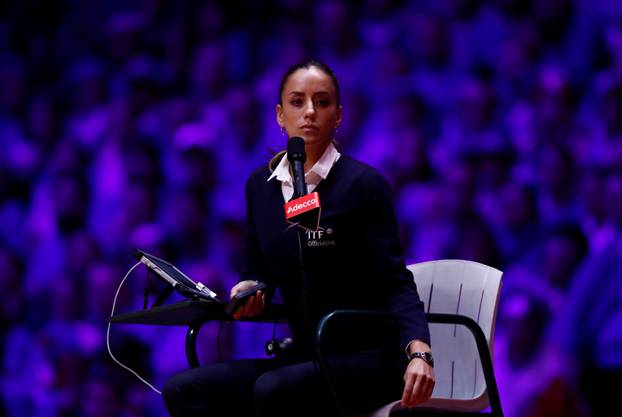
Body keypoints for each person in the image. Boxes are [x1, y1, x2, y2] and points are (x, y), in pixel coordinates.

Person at [162, 60, 435, 417]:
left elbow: (396, 280)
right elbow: (256, 267)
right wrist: (249, 289)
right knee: (185, 389)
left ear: (338, 116)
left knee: (273, 390)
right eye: (297, 101)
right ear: (279, 115)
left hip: (368, 360)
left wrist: (419, 353)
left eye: (322, 102)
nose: (309, 112)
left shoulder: (363, 185)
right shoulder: (261, 187)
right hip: (303, 355)